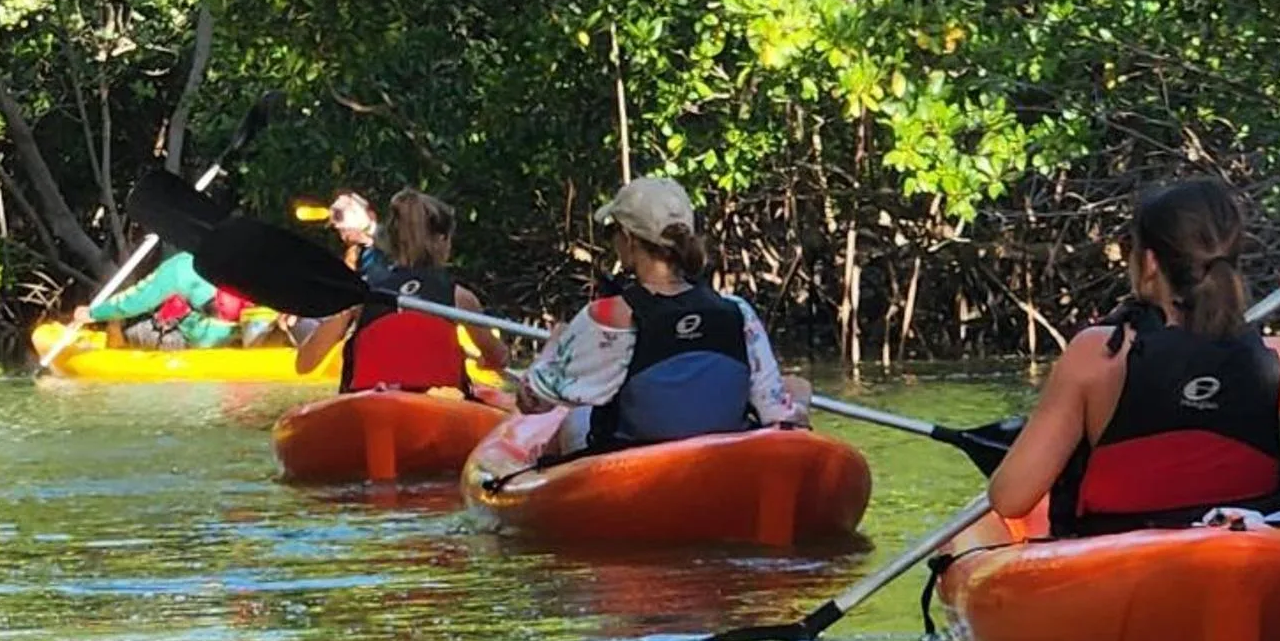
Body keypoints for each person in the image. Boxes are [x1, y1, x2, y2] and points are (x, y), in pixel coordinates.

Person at [982, 177, 1280, 536]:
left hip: (1122, 554)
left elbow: (1010, 499)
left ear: (1149, 262)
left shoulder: (1098, 353)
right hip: (1240, 538)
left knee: (982, 528)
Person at [518, 177, 808, 453]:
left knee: (575, 415)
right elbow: (774, 412)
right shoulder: (738, 311)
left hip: (634, 467)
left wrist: (553, 347)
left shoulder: (609, 315)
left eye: (612, 232)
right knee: (798, 387)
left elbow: (533, 402)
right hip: (724, 462)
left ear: (629, 239)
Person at [293, 189, 504, 398]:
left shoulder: (360, 296)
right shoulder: (459, 298)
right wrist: (486, 362)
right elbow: (499, 358)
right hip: (436, 410)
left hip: (370, 405)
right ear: (442, 240)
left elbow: (305, 363)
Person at [82, 249, 270, 349]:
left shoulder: (181, 265)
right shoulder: (246, 257)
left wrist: (92, 313)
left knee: (120, 320)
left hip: (203, 340)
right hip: (252, 333)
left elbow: (135, 301)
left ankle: (118, 348)